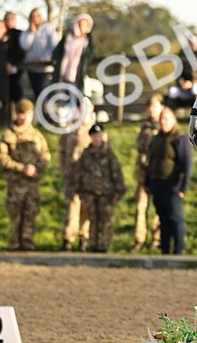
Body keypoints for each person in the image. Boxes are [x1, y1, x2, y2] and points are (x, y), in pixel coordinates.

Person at [0, 98, 50, 251]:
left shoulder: (37, 135)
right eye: (21, 113)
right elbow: (3, 158)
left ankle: (28, 242)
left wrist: (36, 168)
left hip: (32, 183)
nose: (24, 117)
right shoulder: (8, 134)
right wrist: (21, 168)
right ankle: (14, 243)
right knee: (15, 213)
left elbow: (45, 155)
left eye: (27, 113)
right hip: (15, 182)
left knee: (31, 212)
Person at [70, 123, 126, 253]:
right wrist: (79, 190)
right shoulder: (86, 154)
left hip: (106, 194)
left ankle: (104, 246)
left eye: (99, 136)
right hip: (90, 193)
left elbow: (116, 172)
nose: (97, 139)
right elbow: (80, 172)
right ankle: (93, 245)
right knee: (93, 220)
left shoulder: (109, 154)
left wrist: (119, 191)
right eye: (94, 136)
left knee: (106, 221)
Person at [145, 109, 192, 255]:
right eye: (161, 119)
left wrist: (183, 187)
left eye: (165, 119)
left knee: (175, 218)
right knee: (162, 218)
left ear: (173, 120)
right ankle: (165, 249)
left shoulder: (179, 138)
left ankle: (178, 250)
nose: (162, 122)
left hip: (173, 184)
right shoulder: (156, 138)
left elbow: (187, 164)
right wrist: (147, 183)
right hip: (157, 183)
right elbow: (150, 161)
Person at [57, 106, 95, 251]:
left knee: (86, 207)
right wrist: (63, 170)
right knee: (72, 207)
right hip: (72, 176)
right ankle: (68, 238)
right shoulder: (69, 130)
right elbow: (61, 152)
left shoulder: (96, 131)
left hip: (88, 177)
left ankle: (84, 238)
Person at [132, 92, 164, 251]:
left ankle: (156, 240)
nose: (152, 110)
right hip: (143, 174)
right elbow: (139, 146)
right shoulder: (144, 126)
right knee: (140, 207)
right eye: (150, 107)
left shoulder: (166, 125)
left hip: (158, 173)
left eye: (155, 106)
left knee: (158, 210)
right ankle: (139, 239)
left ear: (161, 107)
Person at [19, 7, 59, 99]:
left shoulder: (49, 30)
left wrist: (42, 59)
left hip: (45, 68)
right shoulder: (26, 32)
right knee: (37, 95)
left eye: (37, 16)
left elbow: (54, 47)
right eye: (33, 16)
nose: (35, 18)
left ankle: (46, 112)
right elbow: (25, 46)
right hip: (32, 68)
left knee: (44, 95)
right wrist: (31, 33)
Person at [51, 13, 94, 91]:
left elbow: (91, 55)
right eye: (81, 24)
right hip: (63, 73)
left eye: (85, 25)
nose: (82, 27)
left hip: (78, 74)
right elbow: (57, 52)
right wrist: (56, 62)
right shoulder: (68, 38)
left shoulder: (89, 41)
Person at [3, 11, 25, 112]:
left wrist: (13, 64)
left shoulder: (19, 34)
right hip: (3, 69)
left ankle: (20, 116)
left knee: (17, 94)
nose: (9, 21)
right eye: (7, 19)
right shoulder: (1, 35)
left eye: (11, 19)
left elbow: (21, 51)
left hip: (17, 68)